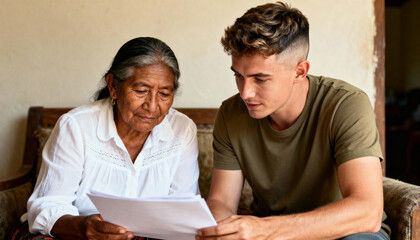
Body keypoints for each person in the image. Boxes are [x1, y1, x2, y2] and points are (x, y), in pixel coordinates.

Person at [196, 2, 390, 240]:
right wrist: (219, 230)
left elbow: (367, 212)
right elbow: (221, 201)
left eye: (260, 79)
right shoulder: (230, 113)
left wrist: (265, 230)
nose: (245, 92)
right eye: (238, 75)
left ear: (299, 71)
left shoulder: (346, 104)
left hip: (345, 233)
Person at [25, 37, 200, 240]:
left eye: (164, 94)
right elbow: (47, 206)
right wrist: (83, 227)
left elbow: (183, 210)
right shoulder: (76, 126)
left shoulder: (182, 129)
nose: (152, 106)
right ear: (113, 86)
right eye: (141, 91)